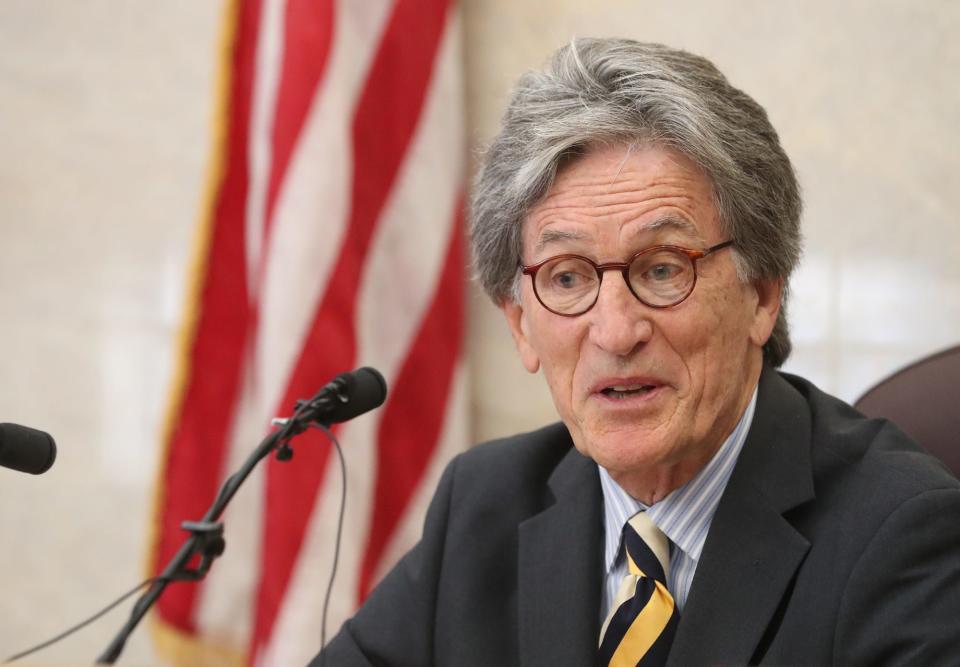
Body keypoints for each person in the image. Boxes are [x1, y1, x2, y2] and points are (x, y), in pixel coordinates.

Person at [312, 38, 960, 666]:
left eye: (661, 269)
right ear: (519, 324)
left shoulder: (903, 536)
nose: (616, 332)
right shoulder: (485, 506)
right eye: (567, 277)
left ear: (762, 294)